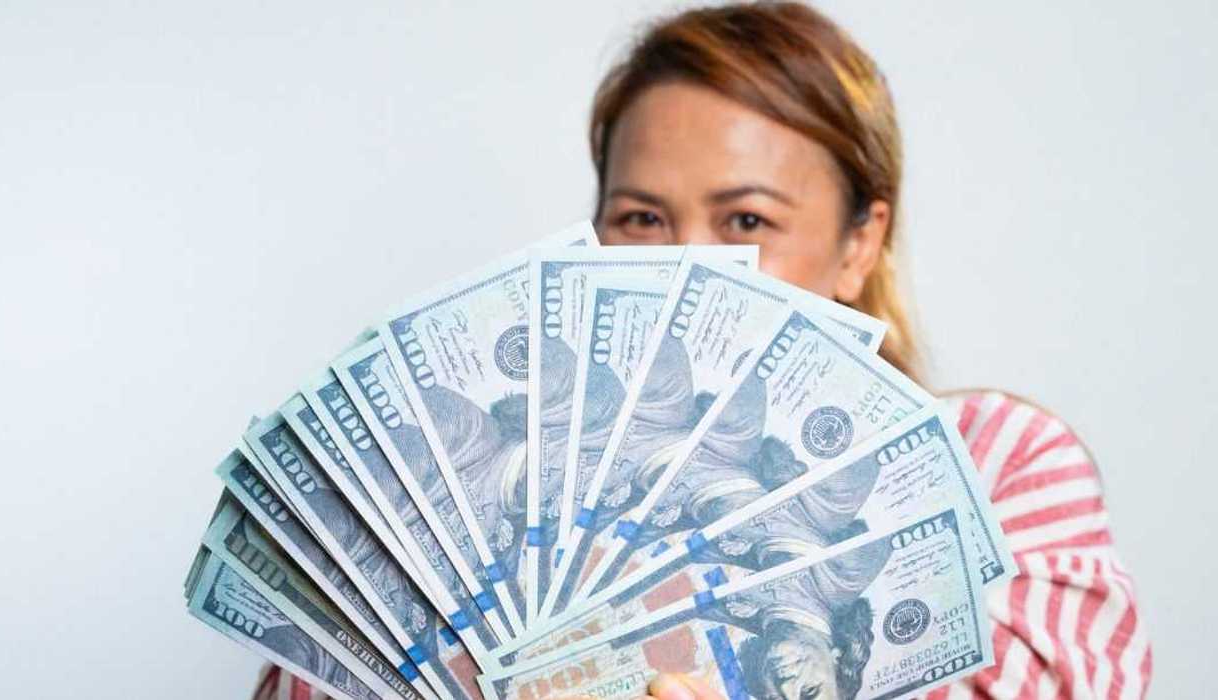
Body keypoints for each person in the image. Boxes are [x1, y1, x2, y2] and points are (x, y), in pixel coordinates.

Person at [258, 2, 1150, 698]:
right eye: (641, 218)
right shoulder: (453, 489)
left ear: (858, 243)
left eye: (747, 220)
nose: (687, 265)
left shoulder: (997, 468)